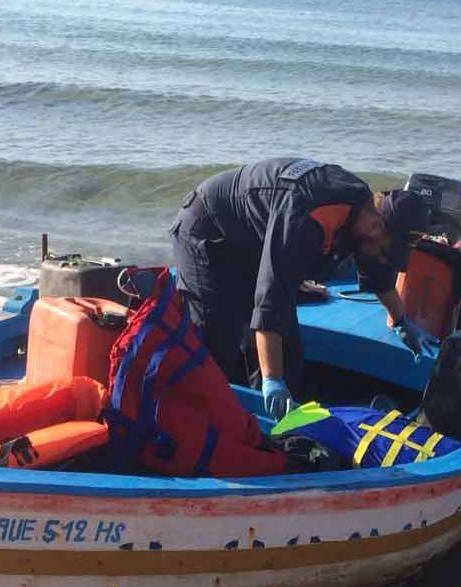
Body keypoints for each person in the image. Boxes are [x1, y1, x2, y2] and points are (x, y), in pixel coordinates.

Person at [170, 157, 433, 419]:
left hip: (259, 239)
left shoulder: (364, 215)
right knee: (217, 344)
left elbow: (375, 264)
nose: (386, 260)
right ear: (375, 226)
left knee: (289, 357)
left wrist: (401, 321)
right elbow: (270, 298)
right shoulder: (308, 215)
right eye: (387, 252)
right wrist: (272, 380)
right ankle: (196, 419)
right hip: (208, 230)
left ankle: (267, 428)